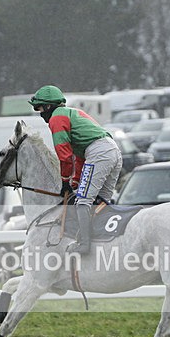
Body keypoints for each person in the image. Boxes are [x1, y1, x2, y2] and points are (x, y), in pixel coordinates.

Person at [28, 85, 123, 254]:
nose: (40, 113)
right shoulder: (72, 113)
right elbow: (80, 156)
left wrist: (65, 181)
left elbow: (64, 156)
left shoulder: (56, 118)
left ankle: (84, 245)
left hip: (99, 154)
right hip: (113, 151)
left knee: (82, 202)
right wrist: (76, 180)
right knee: (101, 203)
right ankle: (105, 244)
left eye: (40, 108)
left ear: (49, 106)